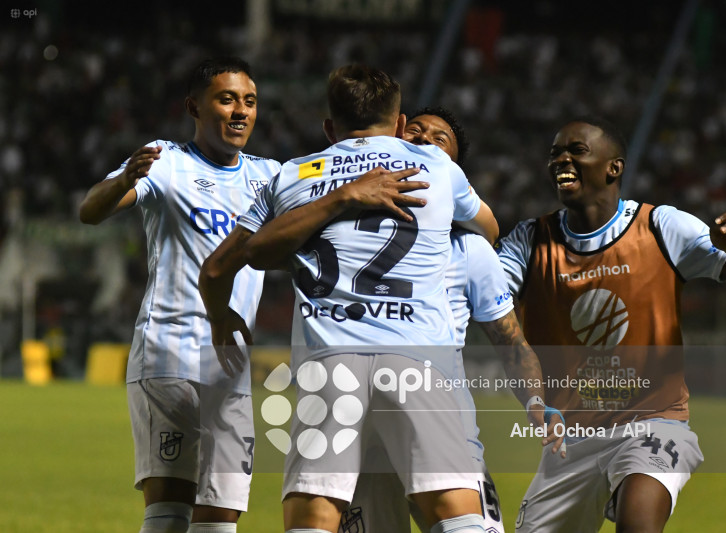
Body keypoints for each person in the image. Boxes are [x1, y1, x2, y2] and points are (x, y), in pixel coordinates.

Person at [240, 65, 498, 533]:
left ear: (328, 126)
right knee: (455, 510)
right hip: (417, 357)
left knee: (314, 516)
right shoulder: (439, 167)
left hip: (330, 359)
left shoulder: (294, 174)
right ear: (400, 125)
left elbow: (252, 252)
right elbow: (489, 227)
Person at [497, 116, 726, 532]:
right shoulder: (529, 241)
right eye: (555, 153)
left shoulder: (661, 227)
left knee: (639, 522)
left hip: (654, 424)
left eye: (576, 151)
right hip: (570, 440)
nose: (561, 160)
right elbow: (487, 301)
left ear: (614, 167)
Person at [79, 56, 281, 533]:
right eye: (227, 99)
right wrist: (124, 180)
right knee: (171, 508)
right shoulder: (166, 160)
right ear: (194, 106)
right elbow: (91, 210)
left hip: (230, 365)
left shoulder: (270, 176)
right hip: (169, 356)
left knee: (222, 514)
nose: (240, 111)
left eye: (249, 101)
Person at [340, 107, 563, 533]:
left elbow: (510, 341)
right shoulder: (345, 233)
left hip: (442, 427)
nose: (424, 139)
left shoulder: (470, 250)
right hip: (364, 440)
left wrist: (535, 402)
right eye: (415, 131)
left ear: (453, 175)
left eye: (439, 140)